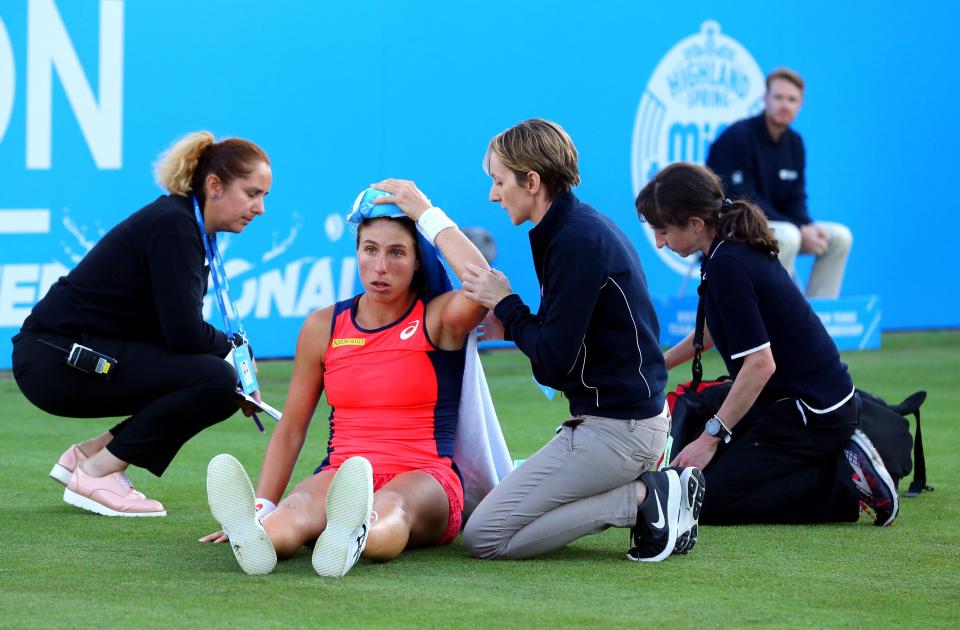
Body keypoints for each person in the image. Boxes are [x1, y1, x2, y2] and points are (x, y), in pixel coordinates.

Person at [201, 179, 492, 577]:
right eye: (370, 250)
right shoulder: (324, 326)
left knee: (390, 509)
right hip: (342, 470)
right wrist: (265, 502)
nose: (381, 267)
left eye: (397, 253)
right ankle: (257, 534)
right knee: (295, 511)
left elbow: (482, 285)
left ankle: (353, 533)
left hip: (424, 476)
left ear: (419, 259)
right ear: (356, 252)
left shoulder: (438, 317)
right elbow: (291, 428)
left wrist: (428, 215)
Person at [460, 118, 704, 563]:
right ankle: (639, 492)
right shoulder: (571, 227)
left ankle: (644, 500)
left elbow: (553, 363)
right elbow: (566, 342)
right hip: (623, 422)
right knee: (501, 516)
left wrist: (509, 305)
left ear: (531, 181)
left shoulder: (575, 239)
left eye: (498, 182)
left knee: (485, 537)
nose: (493, 194)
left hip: (618, 432)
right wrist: (513, 323)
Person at [10, 131, 271, 518]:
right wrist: (235, 356)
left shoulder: (184, 224)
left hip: (68, 352)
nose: (260, 208)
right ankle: (98, 472)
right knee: (216, 380)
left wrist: (237, 364)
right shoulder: (175, 225)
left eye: (263, 196)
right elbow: (183, 334)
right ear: (214, 186)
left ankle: (91, 455)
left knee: (219, 380)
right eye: (252, 193)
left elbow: (169, 332)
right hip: (55, 360)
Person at [635, 162, 899, 527]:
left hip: (813, 414)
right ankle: (832, 461)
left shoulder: (729, 261)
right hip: (792, 403)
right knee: (696, 475)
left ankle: (846, 480)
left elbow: (760, 365)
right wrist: (657, 365)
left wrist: (710, 437)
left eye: (663, 231)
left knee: (706, 502)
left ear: (696, 223)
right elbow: (712, 330)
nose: (661, 241)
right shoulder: (724, 248)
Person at [706, 67, 852, 298]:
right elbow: (744, 201)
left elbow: (796, 197)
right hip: (731, 227)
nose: (785, 105)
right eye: (779, 97)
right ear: (765, 98)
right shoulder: (737, 138)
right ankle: (776, 316)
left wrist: (807, 225)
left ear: (801, 104)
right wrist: (799, 229)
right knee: (789, 235)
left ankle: (815, 322)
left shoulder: (794, 143)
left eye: (792, 99)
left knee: (839, 237)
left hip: (780, 226)